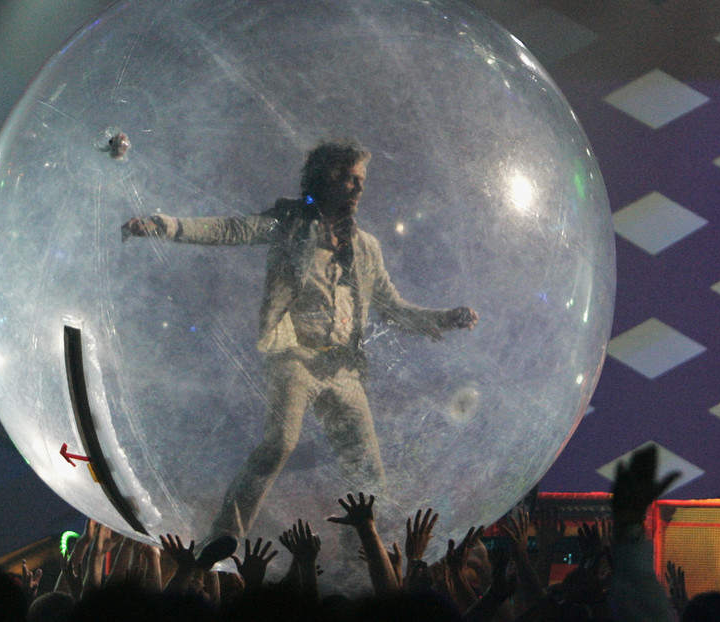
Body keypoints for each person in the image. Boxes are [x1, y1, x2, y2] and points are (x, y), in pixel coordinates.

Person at [122, 139, 478, 540]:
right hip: (294, 356)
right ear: (321, 177)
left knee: (369, 471)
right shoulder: (289, 223)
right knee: (280, 443)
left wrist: (443, 318)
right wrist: (168, 224)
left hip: (344, 369)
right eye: (346, 177)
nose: (357, 187)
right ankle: (225, 534)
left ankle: (359, 558)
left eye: (360, 179)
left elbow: (392, 308)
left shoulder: (366, 248)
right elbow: (232, 229)